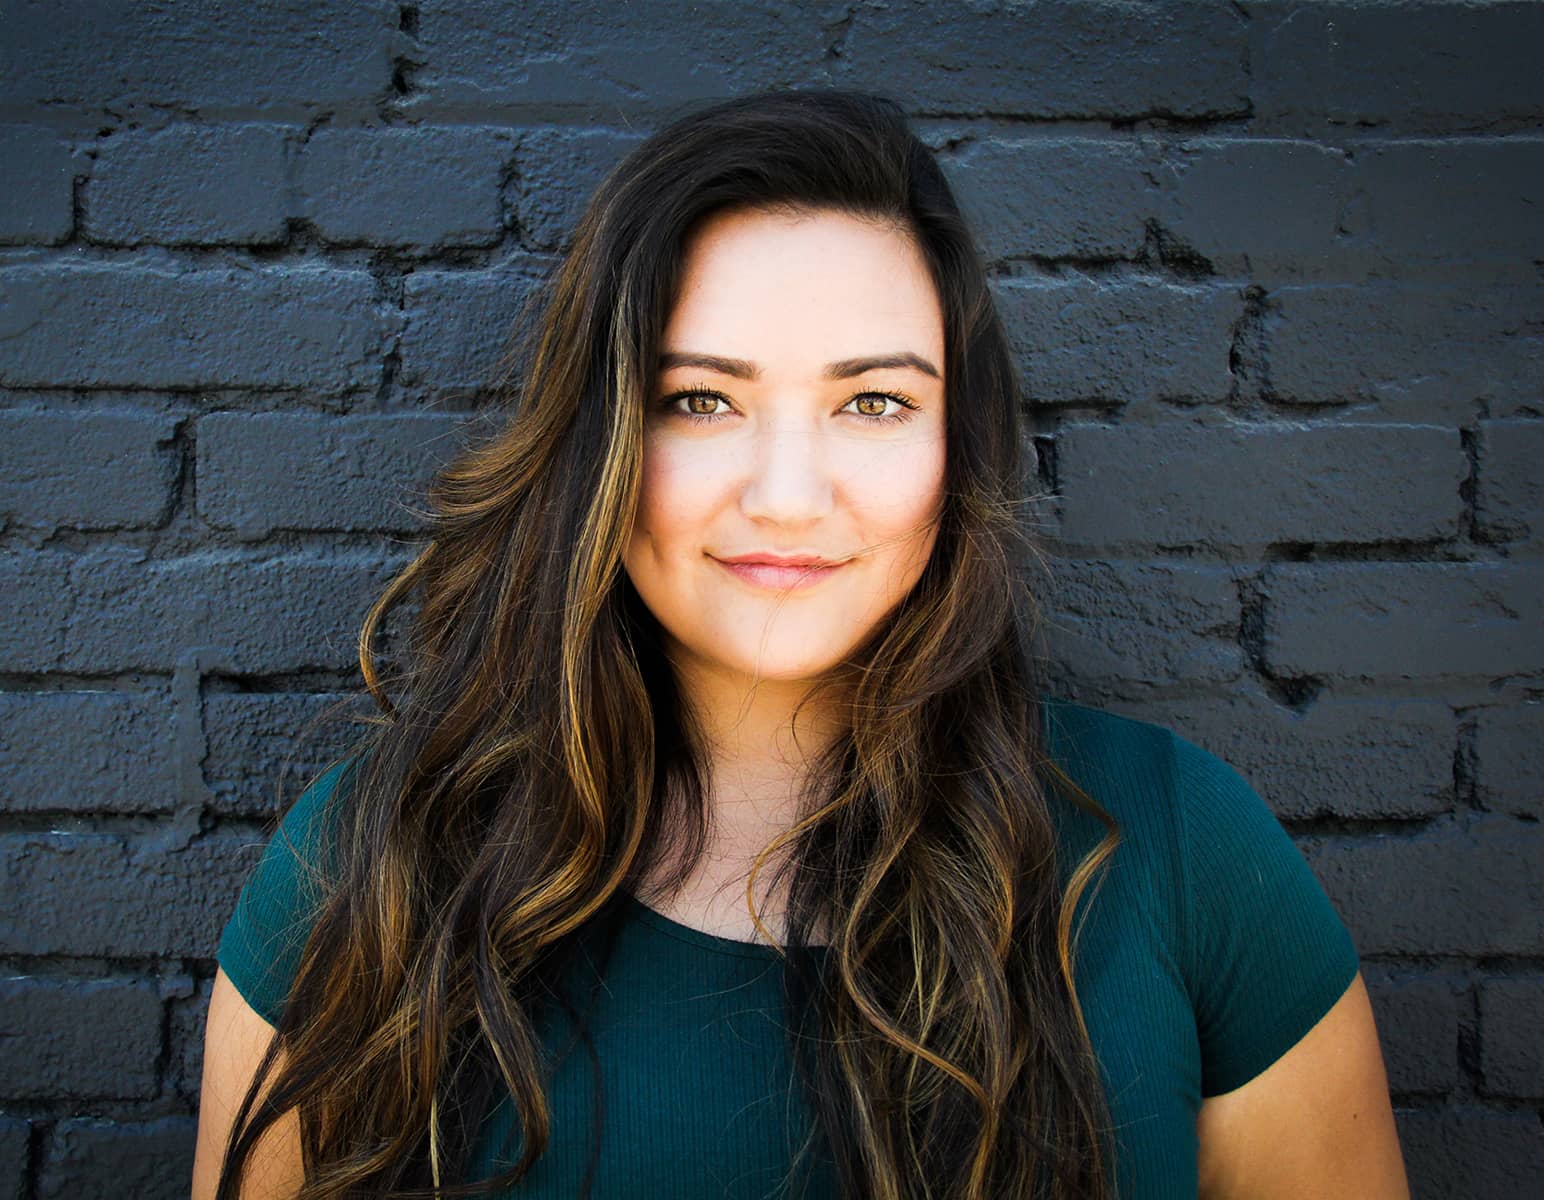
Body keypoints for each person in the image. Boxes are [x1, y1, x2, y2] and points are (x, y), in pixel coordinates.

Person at [191, 89, 1408, 1199]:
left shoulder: (1184, 856)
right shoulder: (373, 873)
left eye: (873, 402)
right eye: (699, 400)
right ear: (599, 443)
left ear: (956, 451)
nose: (784, 494)